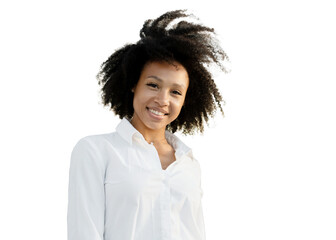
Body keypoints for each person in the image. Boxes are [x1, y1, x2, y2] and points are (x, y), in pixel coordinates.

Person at [67, 9, 229, 240]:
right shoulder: (95, 151)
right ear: (134, 84)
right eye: (153, 85)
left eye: (175, 91)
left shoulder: (188, 163)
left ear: (185, 100)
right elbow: (84, 232)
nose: (163, 100)